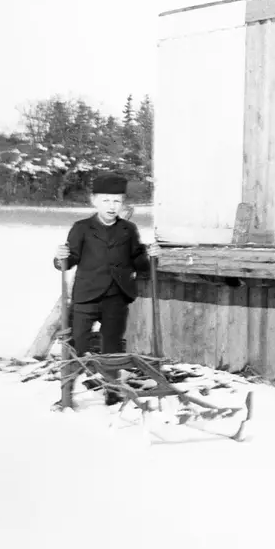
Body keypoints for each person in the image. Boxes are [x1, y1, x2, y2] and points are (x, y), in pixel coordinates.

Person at [53, 172, 159, 405]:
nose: (112, 206)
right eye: (106, 201)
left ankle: (112, 391)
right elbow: (70, 260)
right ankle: (66, 394)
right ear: (94, 201)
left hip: (116, 299)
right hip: (86, 299)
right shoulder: (81, 228)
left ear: (123, 203)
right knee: (77, 345)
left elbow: (138, 261)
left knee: (112, 348)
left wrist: (150, 257)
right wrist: (60, 257)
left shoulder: (128, 230)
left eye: (117, 201)